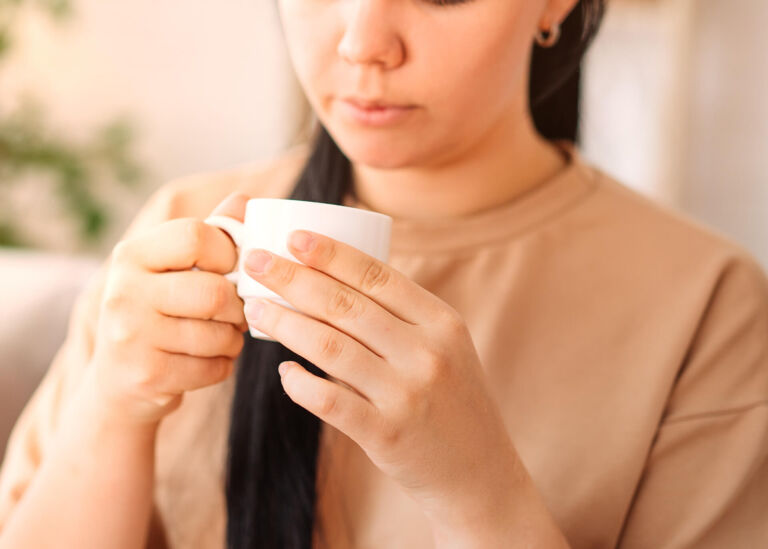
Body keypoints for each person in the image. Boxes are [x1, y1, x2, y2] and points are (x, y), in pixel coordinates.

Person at [1, 0, 767, 547]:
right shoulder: (181, 226)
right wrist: (112, 409)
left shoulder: (710, 307)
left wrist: (480, 496)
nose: (364, 41)